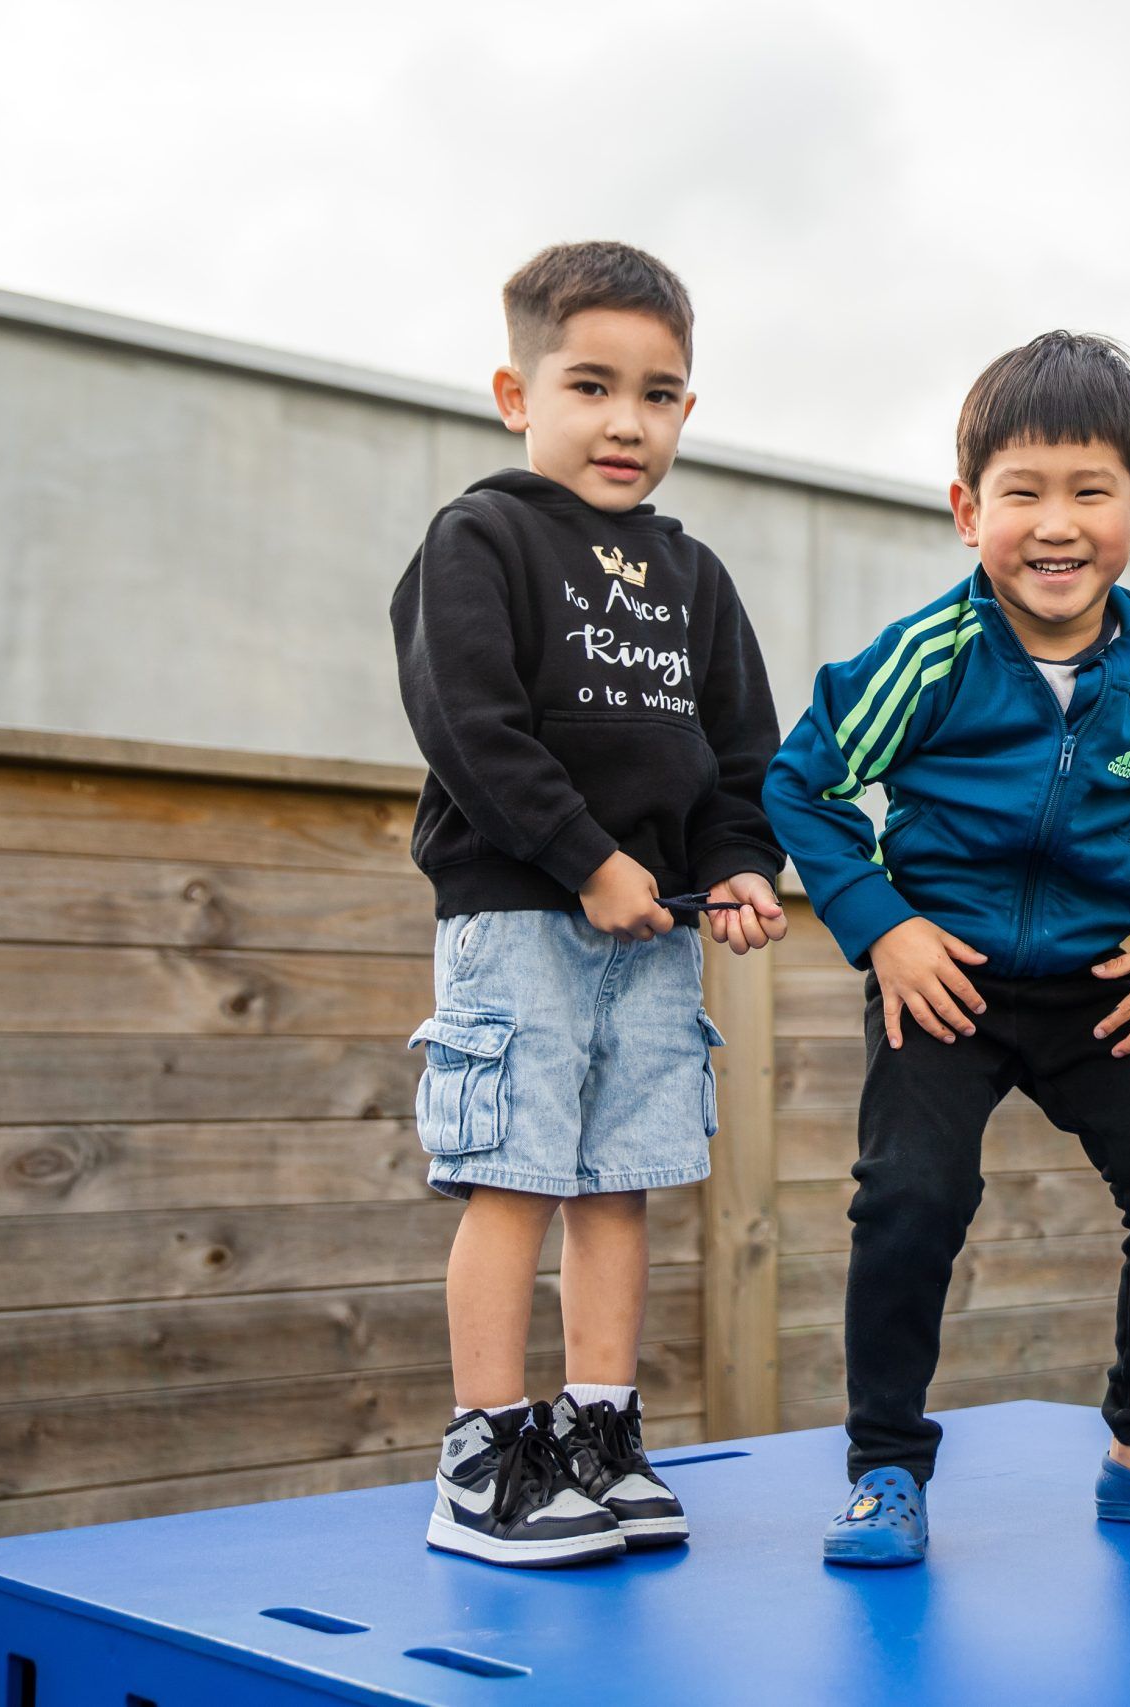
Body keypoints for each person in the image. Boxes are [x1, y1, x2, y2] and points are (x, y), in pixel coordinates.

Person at [763, 331, 1130, 1566]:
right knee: (911, 1196)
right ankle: (885, 1472)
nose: (1056, 526)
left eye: (1089, 491)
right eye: (1023, 492)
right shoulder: (930, 656)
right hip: (943, 981)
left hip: (1105, 983)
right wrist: (883, 929)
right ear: (967, 511)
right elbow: (807, 782)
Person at [390, 241, 788, 1567]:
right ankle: (484, 1454)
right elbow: (473, 727)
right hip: (520, 916)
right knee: (512, 1176)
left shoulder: (695, 574)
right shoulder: (480, 536)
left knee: (620, 1183)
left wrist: (739, 865)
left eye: (661, 392)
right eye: (593, 384)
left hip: (656, 931)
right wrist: (584, 860)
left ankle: (597, 1435)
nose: (628, 419)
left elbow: (742, 757)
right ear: (518, 390)